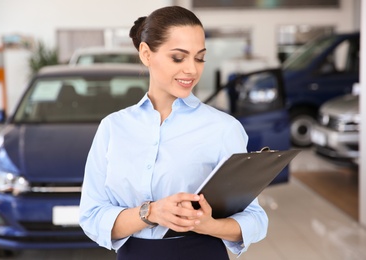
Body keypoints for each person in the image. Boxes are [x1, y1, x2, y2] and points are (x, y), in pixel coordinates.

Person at [79, 5, 268, 259]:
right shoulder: (113, 128)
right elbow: (91, 215)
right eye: (178, 57)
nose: (192, 69)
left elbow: (255, 219)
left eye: (199, 58)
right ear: (146, 54)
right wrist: (151, 213)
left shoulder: (223, 128)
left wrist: (209, 224)